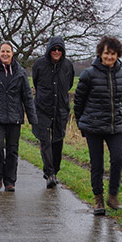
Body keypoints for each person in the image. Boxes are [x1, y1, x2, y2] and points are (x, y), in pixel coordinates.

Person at [73, 35, 122, 215]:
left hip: (115, 126)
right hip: (93, 126)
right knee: (97, 164)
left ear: (117, 54)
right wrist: (82, 124)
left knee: (117, 159)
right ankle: (98, 199)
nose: (109, 57)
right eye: (106, 53)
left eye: (113, 54)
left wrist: (119, 115)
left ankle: (113, 196)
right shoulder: (88, 74)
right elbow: (78, 101)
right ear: (100, 53)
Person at [0, 41, 37, 191]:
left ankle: (10, 181)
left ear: (12, 54)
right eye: (2, 51)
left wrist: (32, 118)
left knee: (12, 150)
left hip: (14, 116)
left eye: (8, 52)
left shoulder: (20, 73)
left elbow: (27, 97)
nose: (5, 54)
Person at [31, 36, 74, 189]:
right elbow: (35, 82)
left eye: (59, 49)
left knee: (58, 140)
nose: (56, 52)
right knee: (45, 141)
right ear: (49, 50)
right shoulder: (39, 65)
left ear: (63, 51)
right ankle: (49, 173)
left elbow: (69, 84)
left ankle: (54, 170)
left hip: (60, 108)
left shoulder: (68, 66)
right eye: (54, 49)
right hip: (42, 108)